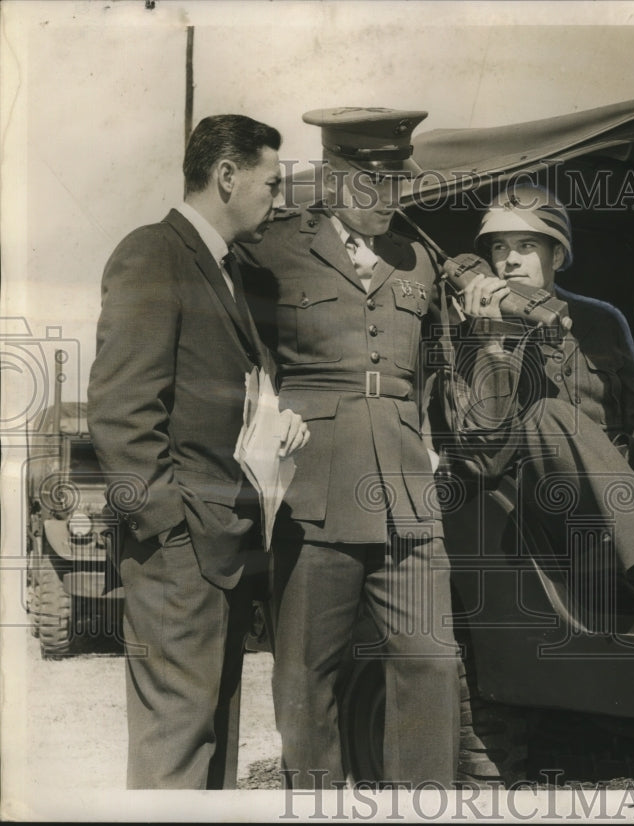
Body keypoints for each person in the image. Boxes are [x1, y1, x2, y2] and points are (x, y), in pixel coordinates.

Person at [240, 107, 460, 788]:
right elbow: (228, 341)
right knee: (308, 672)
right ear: (335, 178)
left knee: (431, 662)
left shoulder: (420, 256)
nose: (390, 198)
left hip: (407, 491)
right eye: (374, 183)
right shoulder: (273, 247)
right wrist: (262, 414)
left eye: (398, 183)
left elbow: (443, 363)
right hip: (316, 489)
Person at [87, 114, 309, 789]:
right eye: (272, 184)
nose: (279, 199)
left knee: (211, 753)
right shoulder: (153, 253)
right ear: (227, 176)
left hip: (222, 550)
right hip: (181, 557)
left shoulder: (229, 269)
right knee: (175, 754)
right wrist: (169, 535)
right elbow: (122, 412)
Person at [440, 182, 634, 621]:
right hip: (543, 503)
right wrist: (489, 337)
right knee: (548, 412)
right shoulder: (470, 326)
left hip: (625, 482)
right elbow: (485, 457)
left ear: (557, 255)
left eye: (526, 245)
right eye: (499, 247)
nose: (509, 258)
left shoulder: (601, 321)